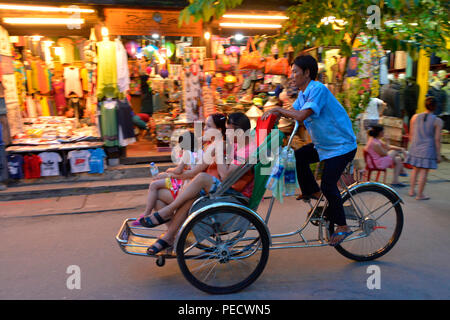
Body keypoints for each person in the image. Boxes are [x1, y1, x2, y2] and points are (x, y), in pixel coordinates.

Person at [261, 54, 357, 246]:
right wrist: (275, 119)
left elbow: (301, 115)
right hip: (325, 145)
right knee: (299, 156)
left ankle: (343, 226)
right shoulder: (304, 93)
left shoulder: (318, 89)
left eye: (295, 71)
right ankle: (311, 191)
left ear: (307, 72)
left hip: (341, 146)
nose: (292, 76)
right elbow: (293, 115)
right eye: (292, 72)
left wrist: (279, 111)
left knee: (329, 185)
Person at [141, 113, 255, 255]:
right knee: (167, 196)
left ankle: (170, 219)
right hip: (213, 188)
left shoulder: (246, 149)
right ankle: (173, 235)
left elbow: (225, 176)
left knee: (201, 178)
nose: (227, 133)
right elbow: (193, 171)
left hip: (230, 192)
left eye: (229, 129)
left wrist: (219, 151)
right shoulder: (230, 144)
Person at [134, 113, 227, 226]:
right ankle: (173, 233)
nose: (205, 128)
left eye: (208, 126)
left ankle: (170, 231)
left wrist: (169, 175)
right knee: (156, 193)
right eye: (205, 125)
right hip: (193, 183)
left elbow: (193, 173)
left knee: (156, 193)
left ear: (218, 129)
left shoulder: (215, 146)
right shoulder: (210, 143)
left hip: (195, 187)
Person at [406, 96, 443, 200]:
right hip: (428, 149)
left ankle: (411, 190)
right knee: (424, 172)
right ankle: (420, 195)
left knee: (415, 170)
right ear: (435, 107)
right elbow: (437, 139)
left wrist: (413, 146)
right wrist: (438, 154)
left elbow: (411, 135)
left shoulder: (414, 117)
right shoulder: (437, 121)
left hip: (415, 147)